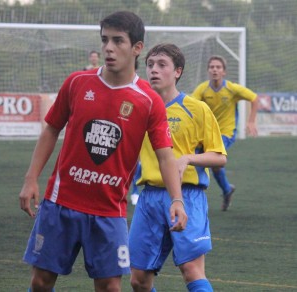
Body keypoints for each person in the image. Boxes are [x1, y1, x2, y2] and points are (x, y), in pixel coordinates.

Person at [19, 11, 187, 292]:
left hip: (109, 210)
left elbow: (165, 155)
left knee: (110, 286)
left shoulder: (149, 101)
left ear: (137, 48)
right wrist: (31, 177)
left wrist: (177, 200)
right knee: (40, 281)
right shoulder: (77, 82)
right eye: (105, 40)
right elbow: (51, 128)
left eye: (118, 41)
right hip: (61, 204)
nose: (108, 47)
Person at [129, 44, 227, 292]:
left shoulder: (196, 108)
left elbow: (219, 157)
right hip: (149, 198)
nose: (154, 70)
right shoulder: (139, 109)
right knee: (138, 279)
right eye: (150, 64)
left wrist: (188, 159)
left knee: (191, 270)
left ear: (177, 72)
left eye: (162, 65)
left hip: (187, 196)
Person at [191, 55, 258, 211]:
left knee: (209, 160)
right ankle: (227, 190)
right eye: (212, 67)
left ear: (224, 72)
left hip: (226, 133)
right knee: (208, 164)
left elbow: (254, 99)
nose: (215, 69)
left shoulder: (232, 89)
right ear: (208, 70)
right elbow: (191, 107)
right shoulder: (202, 89)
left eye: (218, 67)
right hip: (206, 133)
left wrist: (251, 121)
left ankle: (195, 198)